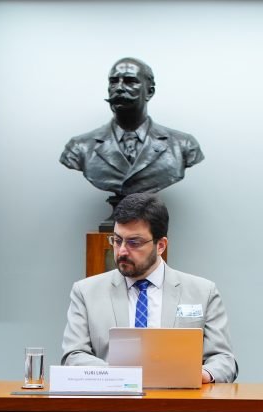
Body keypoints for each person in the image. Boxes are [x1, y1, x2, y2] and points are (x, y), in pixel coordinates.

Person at [61, 193, 238, 383]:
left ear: (160, 245)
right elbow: (73, 356)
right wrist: (122, 375)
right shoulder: (86, 292)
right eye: (117, 240)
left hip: (179, 399)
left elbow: (224, 360)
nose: (122, 251)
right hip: (112, 399)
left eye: (134, 243)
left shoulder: (203, 293)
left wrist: (201, 374)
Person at [59, 57, 204, 196]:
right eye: (113, 82)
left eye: (130, 81)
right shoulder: (79, 147)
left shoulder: (184, 145)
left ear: (150, 92)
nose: (119, 88)